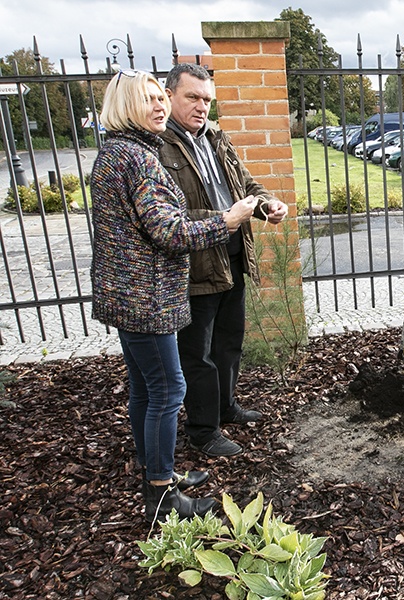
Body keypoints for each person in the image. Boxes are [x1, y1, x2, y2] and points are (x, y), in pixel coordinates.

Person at [90, 69, 256, 522]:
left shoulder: (116, 153)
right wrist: (227, 221)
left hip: (128, 294)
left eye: (158, 97)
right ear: (125, 106)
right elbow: (170, 231)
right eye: (148, 100)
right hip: (148, 296)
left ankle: (154, 471)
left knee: (145, 388)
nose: (158, 106)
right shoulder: (139, 159)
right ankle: (162, 496)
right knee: (169, 389)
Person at [159, 63, 289, 457]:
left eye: (206, 100)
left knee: (229, 341)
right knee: (197, 353)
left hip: (232, 256)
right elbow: (169, 215)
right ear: (169, 97)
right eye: (192, 98)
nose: (201, 107)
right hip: (195, 264)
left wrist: (267, 203)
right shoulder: (159, 146)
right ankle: (203, 430)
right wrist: (223, 219)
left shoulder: (215, 136)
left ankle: (225, 407)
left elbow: (244, 184)